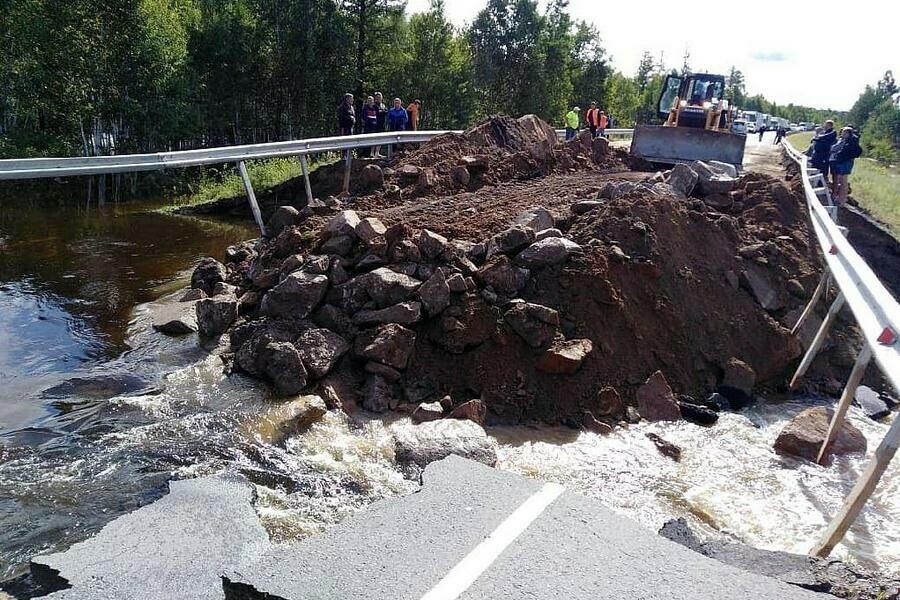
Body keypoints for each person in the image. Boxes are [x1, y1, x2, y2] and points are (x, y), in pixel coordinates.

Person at [829, 126, 862, 205]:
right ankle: (840, 198)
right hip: (845, 162)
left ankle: (842, 200)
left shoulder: (850, 142)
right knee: (842, 180)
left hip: (846, 163)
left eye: (843, 132)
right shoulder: (849, 140)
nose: (842, 134)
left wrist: (840, 157)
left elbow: (846, 152)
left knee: (843, 181)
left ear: (847, 133)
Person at [372, 92, 388, 157]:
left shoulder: (383, 105)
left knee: (380, 138)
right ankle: (372, 152)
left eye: (380, 97)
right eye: (377, 97)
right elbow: (377, 112)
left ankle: (377, 152)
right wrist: (382, 111)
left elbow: (386, 111)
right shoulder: (374, 105)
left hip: (382, 124)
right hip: (376, 124)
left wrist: (382, 111)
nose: (379, 99)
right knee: (374, 138)